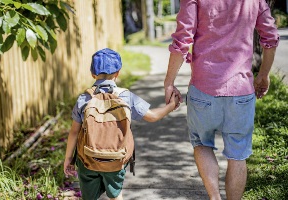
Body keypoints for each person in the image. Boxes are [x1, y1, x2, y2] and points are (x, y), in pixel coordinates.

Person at [164, 1, 279, 200]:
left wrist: (169, 82)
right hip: (241, 91)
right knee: (238, 153)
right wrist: (264, 74)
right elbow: (270, 36)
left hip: (203, 89)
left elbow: (183, 37)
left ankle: (215, 197)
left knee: (201, 143)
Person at [64, 48, 179, 200]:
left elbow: (73, 132)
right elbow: (152, 117)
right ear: (118, 73)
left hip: (87, 160)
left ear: (92, 74)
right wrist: (171, 105)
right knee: (116, 195)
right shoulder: (125, 96)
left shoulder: (84, 99)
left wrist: (68, 159)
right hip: (116, 159)